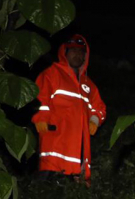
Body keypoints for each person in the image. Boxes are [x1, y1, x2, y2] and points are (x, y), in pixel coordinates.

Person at [32, 35, 106, 183]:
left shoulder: (88, 84)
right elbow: (40, 99)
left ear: (86, 56)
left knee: (74, 189)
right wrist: (40, 119)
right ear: (65, 52)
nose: (77, 55)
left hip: (78, 147)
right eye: (73, 51)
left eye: (81, 52)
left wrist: (94, 120)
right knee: (46, 185)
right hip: (54, 141)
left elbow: (99, 107)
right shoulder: (51, 74)